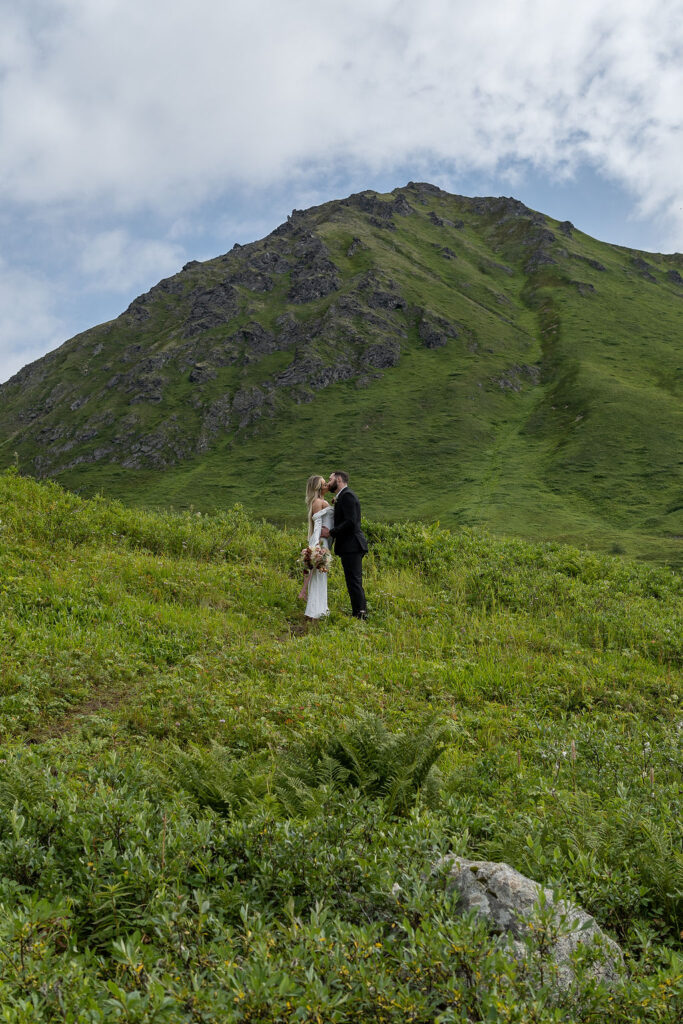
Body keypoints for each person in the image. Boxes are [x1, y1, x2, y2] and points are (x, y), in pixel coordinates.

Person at [321, 470, 368, 619]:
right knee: (352, 580)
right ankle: (358, 612)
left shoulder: (347, 496)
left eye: (330, 479)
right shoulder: (343, 496)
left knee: (354, 580)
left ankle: (360, 613)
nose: (328, 482)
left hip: (352, 545)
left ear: (339, 479)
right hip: (350, 546)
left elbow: (350, 522)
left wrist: (331, 533)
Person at [299, 474, 335, 620]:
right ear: (318, 488)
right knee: (319, 576)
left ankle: (319, 609)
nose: (327, 485)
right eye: (323, 483)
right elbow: (318, 524)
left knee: (321, 576)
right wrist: (317, 545)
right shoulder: (318, 502)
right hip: (320, 540)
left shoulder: (322, 501)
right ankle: (315, 611)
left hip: (323, 540)